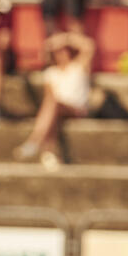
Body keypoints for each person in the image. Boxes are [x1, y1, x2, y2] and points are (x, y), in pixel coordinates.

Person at [15, 31, 95, 169]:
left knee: (52, 107)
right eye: (58, 52)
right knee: (52, 109)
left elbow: (89, 46)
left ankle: (34, 142)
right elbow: (49, 96)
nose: (61, 54)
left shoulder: (78, 66)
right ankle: (48, 154)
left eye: (63, 50)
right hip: (57, 108)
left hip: (77, 109)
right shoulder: (51, 73)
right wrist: (49, 45)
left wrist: (65, 38)